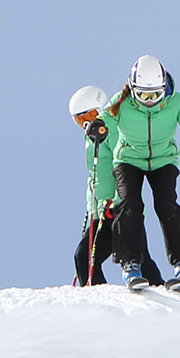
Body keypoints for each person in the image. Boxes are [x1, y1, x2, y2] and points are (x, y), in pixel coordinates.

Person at [101, 56, 180, 289]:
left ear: (163, 89)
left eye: (154, 96)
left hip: (163, 159)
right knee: (129, 205)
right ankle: (130, 264)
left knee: (166, 204)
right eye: (143, 96)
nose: (149, 101)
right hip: (128, 159)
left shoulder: (176, 101)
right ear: (133, 89)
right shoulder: (122, 101)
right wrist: (98, 128)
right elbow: (106, 119)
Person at [68, 85, 120, 286]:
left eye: (87, 115)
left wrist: (117, 199)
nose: (84, 123)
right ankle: (155, 286)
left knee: (84, 256)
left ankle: (96, 295)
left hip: (115, 206)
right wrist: (93, 207)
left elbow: (122, 164)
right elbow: (96, 177)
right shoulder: (92, 139)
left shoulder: (112, 129)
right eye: (78, 120)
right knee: (88, 256)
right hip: (102, 209)